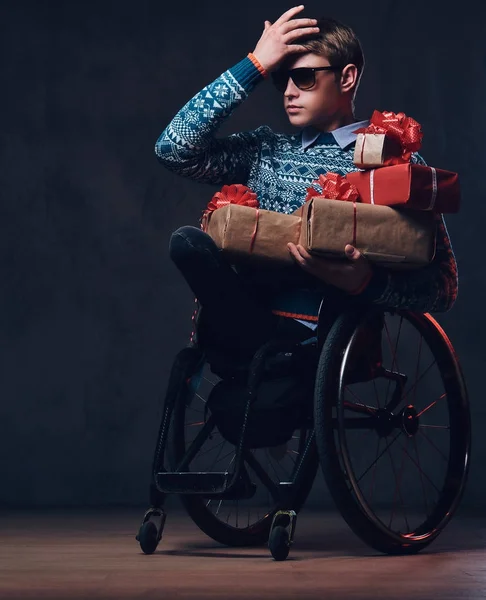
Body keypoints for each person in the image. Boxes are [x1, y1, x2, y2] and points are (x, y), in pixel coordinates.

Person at [155, 7, 458, 367]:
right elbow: (173, 149)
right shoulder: (263, 151)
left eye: (304, 77)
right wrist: (254, 66)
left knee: (253, 405)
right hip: (248, 321)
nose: (288, 91)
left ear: (346, 78)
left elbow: (444, 285)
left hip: (327, 339)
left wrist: (366, 282)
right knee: (189, 245)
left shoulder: (394, 165)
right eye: (281, 79)